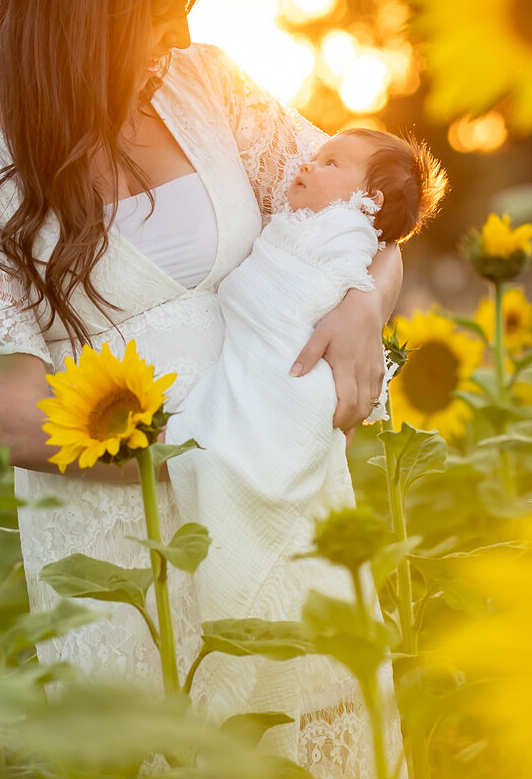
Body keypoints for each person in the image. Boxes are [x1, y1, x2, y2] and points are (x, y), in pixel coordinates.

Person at [0, 0, 402, 776]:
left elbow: (364, 216)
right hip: (124, 543)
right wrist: (209, 438)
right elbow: (2, 409)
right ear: (84, 8)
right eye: (159, 4)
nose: (179, 30)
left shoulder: (208, 87)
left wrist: (365, 304)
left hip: (285, 506)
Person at [166, 129, 445, 760]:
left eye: (329, 163)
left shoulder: (343, 236)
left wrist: (356, 303)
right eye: (316, 156)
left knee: (239, 457)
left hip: (289, 381)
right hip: (253, 360)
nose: (304, 163)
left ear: (367, 202)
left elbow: (320, 289)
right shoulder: (309, 221)